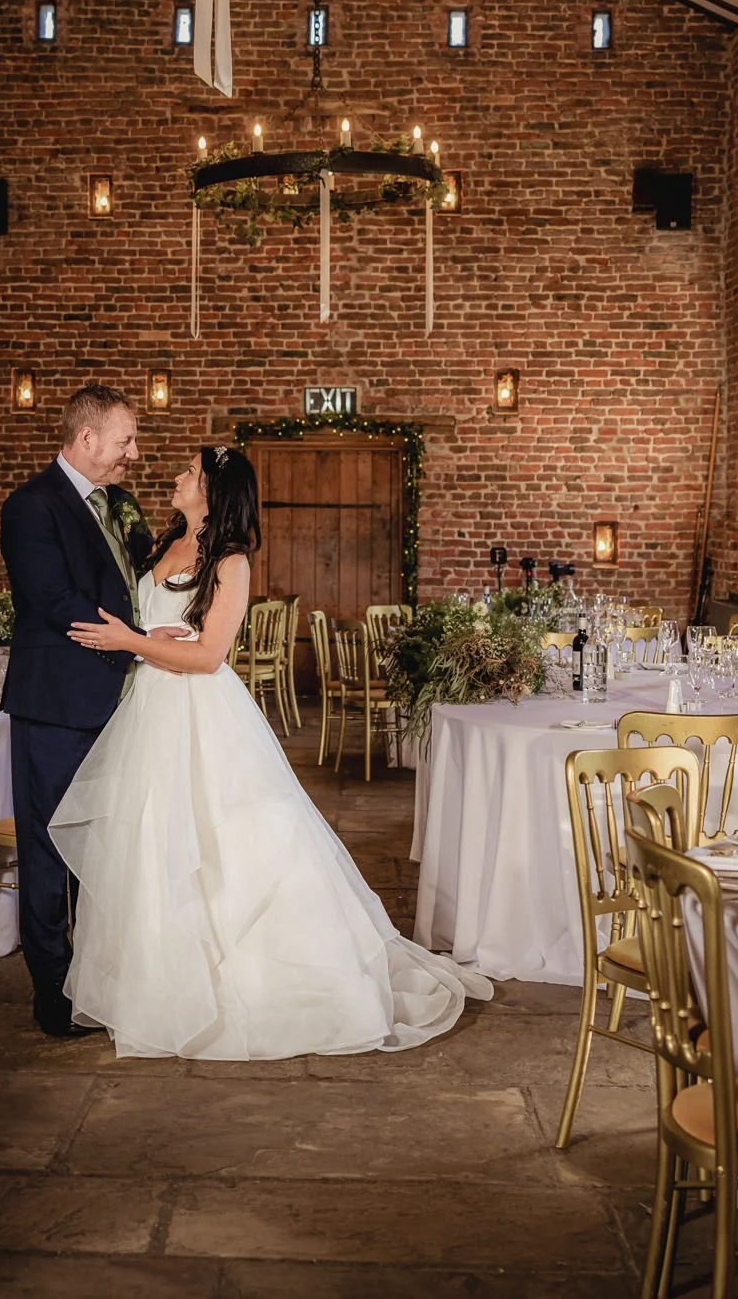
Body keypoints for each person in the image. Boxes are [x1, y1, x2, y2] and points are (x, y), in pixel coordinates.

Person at [53, 444, 490, 1059]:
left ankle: (255, 984)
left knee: (220, 843)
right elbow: (153, 623)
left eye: (190, 473)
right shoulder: (157, 544)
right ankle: (159, 986)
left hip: (200, 715)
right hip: (147, 712)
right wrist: (139, 637)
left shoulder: (230, 562)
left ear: (212, 491)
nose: (176, 478)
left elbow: (208, 656)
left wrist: (128, 641)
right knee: (152, 842)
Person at [0, 382, 154, 1039]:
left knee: (103, 848)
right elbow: (55, 599)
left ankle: (96, 980)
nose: (134, 454)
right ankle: (53, 994)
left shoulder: (121, 504)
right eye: (125, 441)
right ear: (85, 438)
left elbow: (141, 573)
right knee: (47, 850)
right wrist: (136, 644)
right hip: (57, 706)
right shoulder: (31, 506)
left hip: (119, 707)